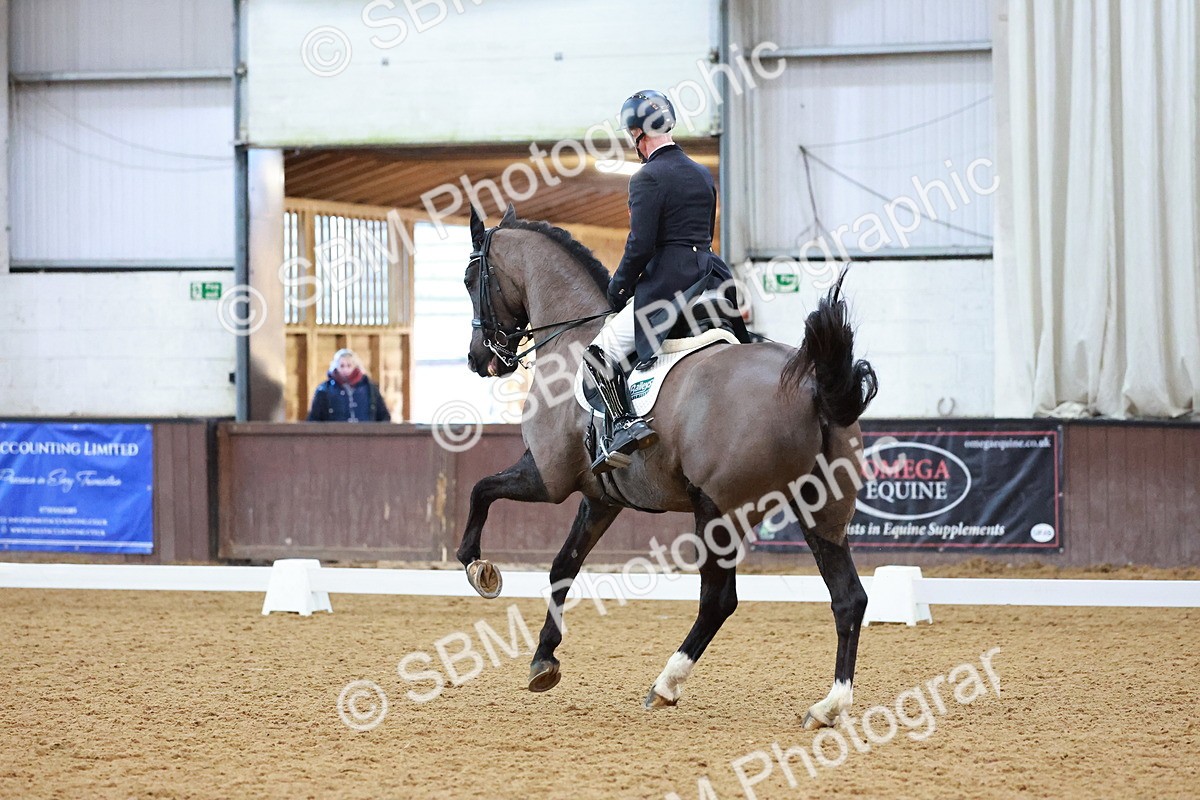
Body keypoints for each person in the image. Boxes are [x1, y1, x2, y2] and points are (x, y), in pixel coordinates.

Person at [583, 89, 736, 474]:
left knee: (597, 354)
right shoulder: (702, 173)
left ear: (637, 133)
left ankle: (622, 427)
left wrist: (618, 287)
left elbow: (641, 245)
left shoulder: (647, 178)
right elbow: (705, 233)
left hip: (668, 284)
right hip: (709, 276)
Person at [307, 349, 391, 422]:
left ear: (355, 366)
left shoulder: (370, 389)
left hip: (366, 437)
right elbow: (314, 419)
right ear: (336, 366)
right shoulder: (324, 390)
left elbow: (383, 416)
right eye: (342, 366)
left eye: (349, 365)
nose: (345, 369)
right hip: (335, 438)